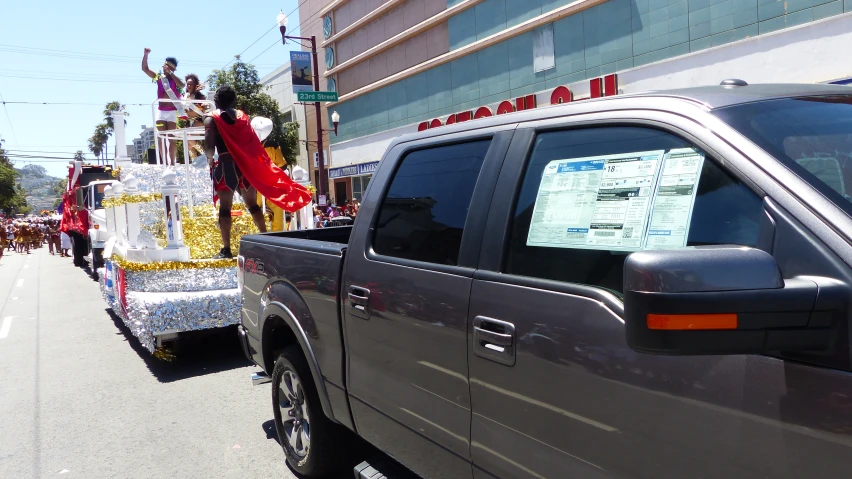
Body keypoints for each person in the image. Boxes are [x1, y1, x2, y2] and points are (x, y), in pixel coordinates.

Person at [204, 85, 312, 258]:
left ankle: (226, 249)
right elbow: (252, 143)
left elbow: (209, 148)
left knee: (225, 208)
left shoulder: (211, 118)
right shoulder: (242, 117)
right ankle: (265, 239)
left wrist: (210, 160)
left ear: (216, 100)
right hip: (245, 167)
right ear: (233, 100)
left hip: (226, 166)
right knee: (253, 205)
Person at [141, 48, 185, 165]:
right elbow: (145, 69)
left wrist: (170, 74)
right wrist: (145, 55)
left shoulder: (175, 79)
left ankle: (172, 163)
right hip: (161, 111)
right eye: (164, 65)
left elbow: (182, 84)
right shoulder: (159, 77)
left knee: (171, 137)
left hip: (171, 112)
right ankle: (164, 162)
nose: (164, 67)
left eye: (167, 66)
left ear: (172, 68)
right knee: (161, 137)